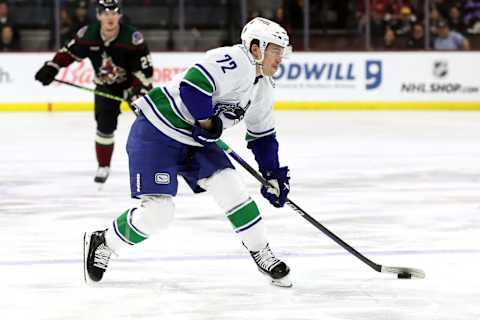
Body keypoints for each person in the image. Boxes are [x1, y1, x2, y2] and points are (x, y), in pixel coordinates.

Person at [83, 17, 293, 287]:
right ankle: (105, 242)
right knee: (159, 213)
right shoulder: (235, 59)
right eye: (276, 50)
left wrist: (272, 172)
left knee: (232, 188)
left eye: (282, 51)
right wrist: (207, 123)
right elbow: (193, 85)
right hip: (158, 131)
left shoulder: (262, 87)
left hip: (196, 141)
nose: (281, 57)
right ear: (256, 48)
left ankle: (262, 251)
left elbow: (262, 137)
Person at [35, 0, 153, 184]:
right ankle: (104, 166)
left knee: (150, 124)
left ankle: (158, 161)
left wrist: (137, 91)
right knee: (104, 127)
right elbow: (68, 52)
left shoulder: (132, 38)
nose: (110, 17)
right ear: (98, 16)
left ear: (120, 15)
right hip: (105, 87)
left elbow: (145, 71)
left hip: (133, 87)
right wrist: (53, 66)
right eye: (105, 13)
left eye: (114, 13)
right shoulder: (88, 34)